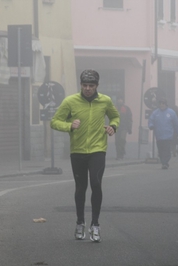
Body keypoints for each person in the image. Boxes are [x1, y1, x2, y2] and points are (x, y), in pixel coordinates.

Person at [50, 69, 120, 242]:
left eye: (91, 85)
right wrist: (69, 126)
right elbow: (54, 121)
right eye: (84, 85)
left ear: (97, 86)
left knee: (96, 184)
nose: (87, 88)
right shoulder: (70, 101)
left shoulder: (105, 101)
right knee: (81, 187)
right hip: (78, 151)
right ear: (80, 85)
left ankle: (95, 224)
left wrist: (113, 127)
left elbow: (115, 116)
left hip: (98, 149)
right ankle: (80, 222)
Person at [148, 98, 178, 169]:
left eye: (163, 104)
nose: (161, 105)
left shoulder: (171, 112)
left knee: (166, 150)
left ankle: (165, 162)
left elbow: (176, 124)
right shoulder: (155, 113)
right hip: (159, 135)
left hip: (168, 136)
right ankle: (163, 161)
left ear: (166, 104)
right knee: (160, 150)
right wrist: (151, 125)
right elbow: (151, 119)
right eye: (160, 104)